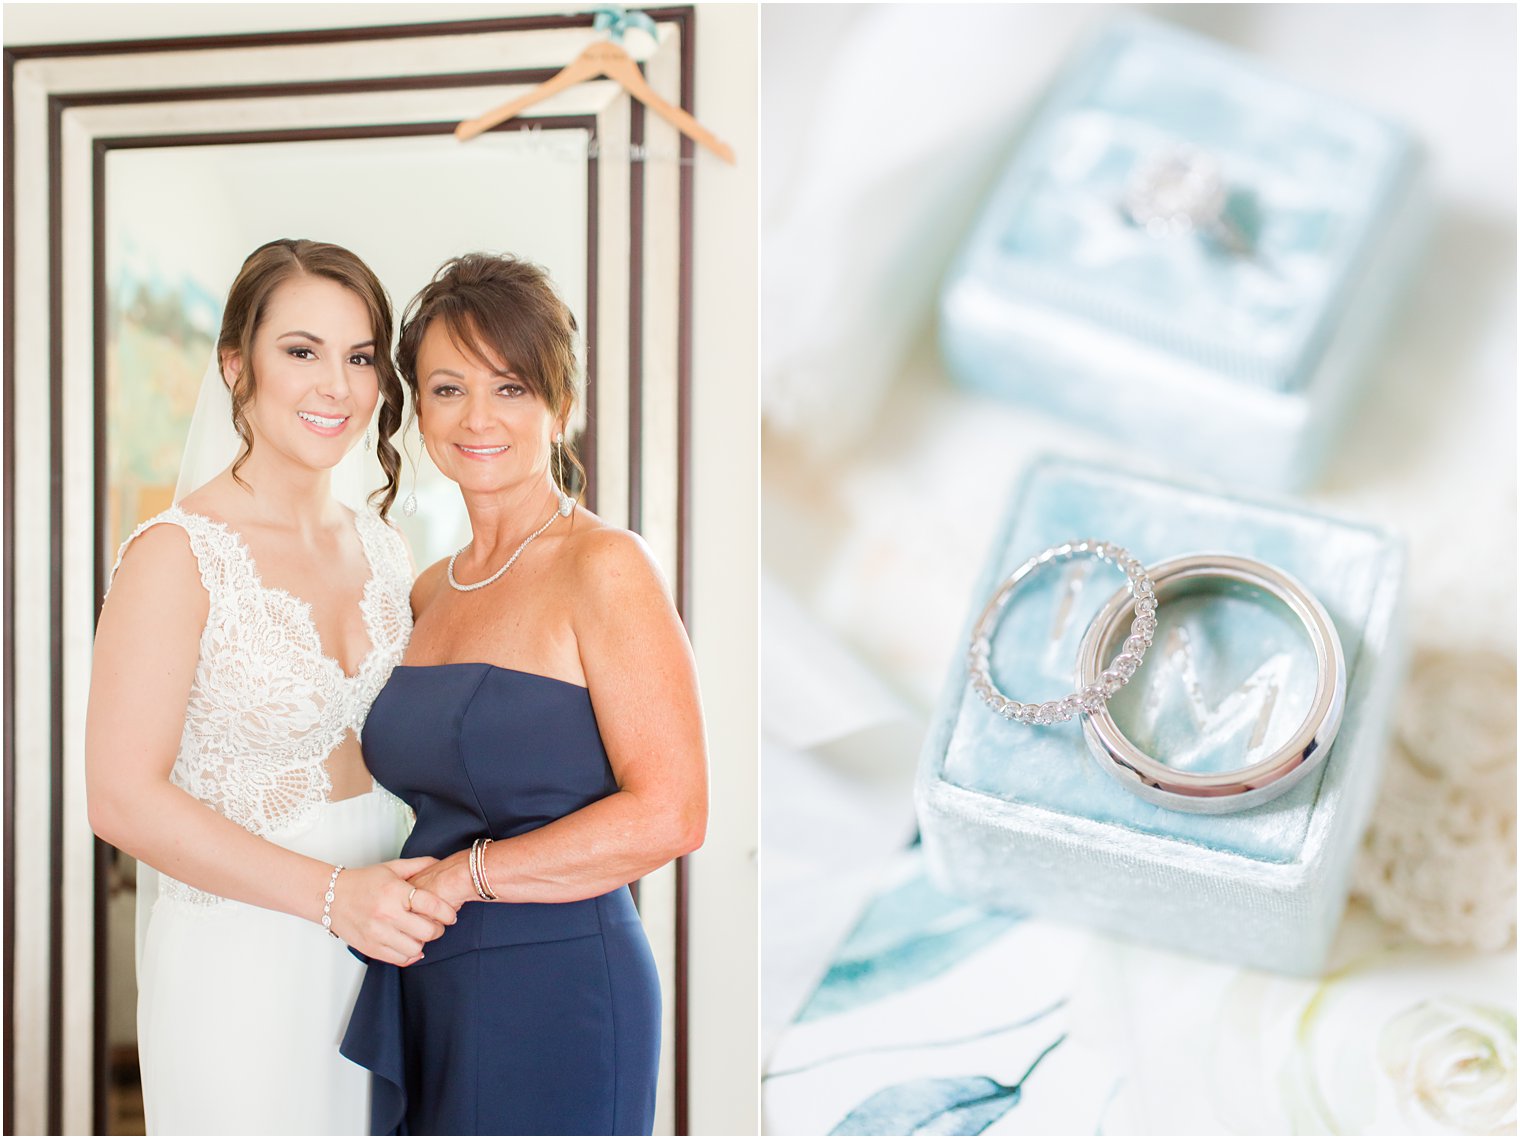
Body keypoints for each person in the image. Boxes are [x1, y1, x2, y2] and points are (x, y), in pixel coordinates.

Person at [86, 238, 459, 1135]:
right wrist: (336, 896)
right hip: (243, 957)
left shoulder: (384, 547)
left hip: (386, 948)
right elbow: (120, 799)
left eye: (360, 356)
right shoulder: (176, 554)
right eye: (301, 351)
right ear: (234, 364)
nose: (335, 385)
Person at [340, 253, 708, 1136]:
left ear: (559, 405)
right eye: (447, 387)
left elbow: (673, 812)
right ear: (416, 407)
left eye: (509, 388)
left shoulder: (604, 566)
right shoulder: (426, 589)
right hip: (425, 974)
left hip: (558, 984)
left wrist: (467, 877)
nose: (477, 418)